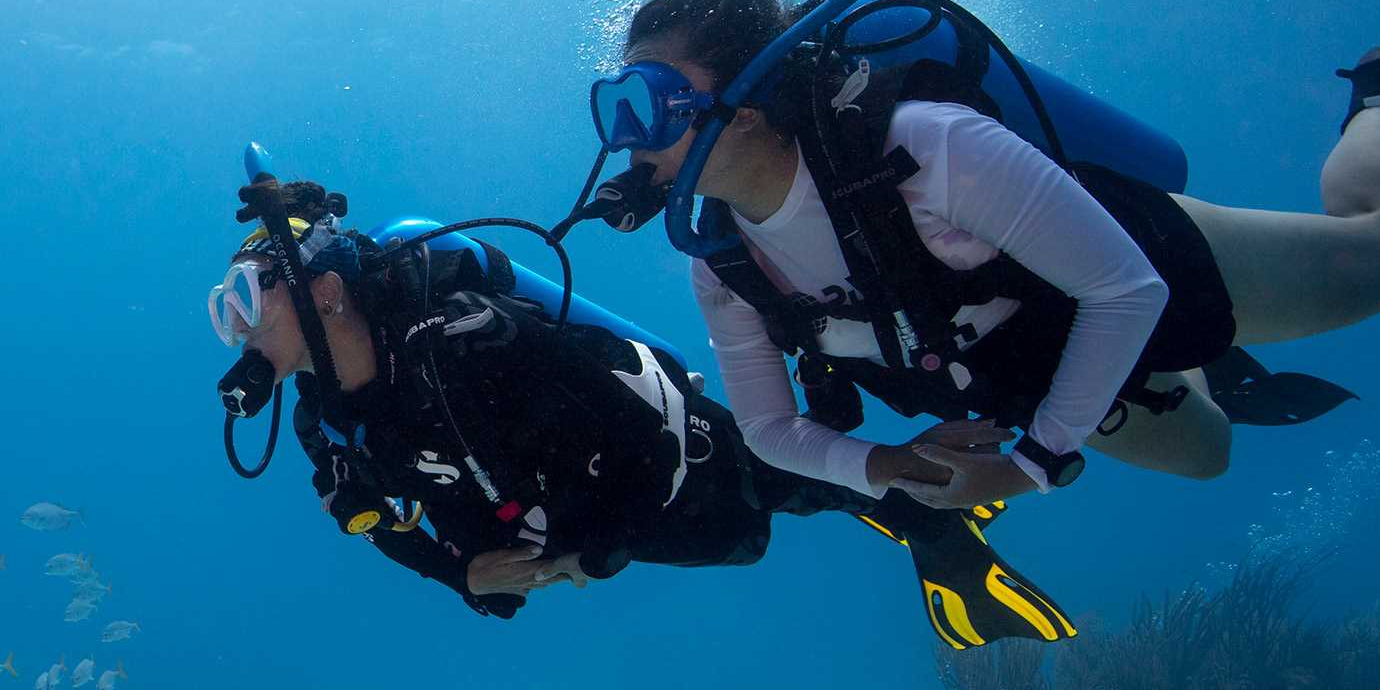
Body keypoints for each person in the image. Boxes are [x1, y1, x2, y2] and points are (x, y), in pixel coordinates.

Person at [583, 0, 1380, 507]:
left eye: (649, 103)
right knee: (1210, 457)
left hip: (1134, 265)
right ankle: (1210, 370)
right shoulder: (718, 255)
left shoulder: (924, 148)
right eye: (614, 107)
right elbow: (767, 431)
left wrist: (1029, 464)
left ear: (749, 103)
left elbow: (1127, 292)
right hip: (1041, 356)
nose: (627, 141)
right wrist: (884, 468)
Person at [209, 167, 1075, 646]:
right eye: (225, 308)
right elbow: (361, 513)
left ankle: (937, 522)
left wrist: (589, 550)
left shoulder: (466, 339)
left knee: (788, 478)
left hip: (677, 464)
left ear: (325, 293)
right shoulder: (322, 415)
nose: (236, 326)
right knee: (802, 486)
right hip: (589, 525)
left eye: (246, 296)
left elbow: (627, 414)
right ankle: (914, 507)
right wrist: (460, 575)